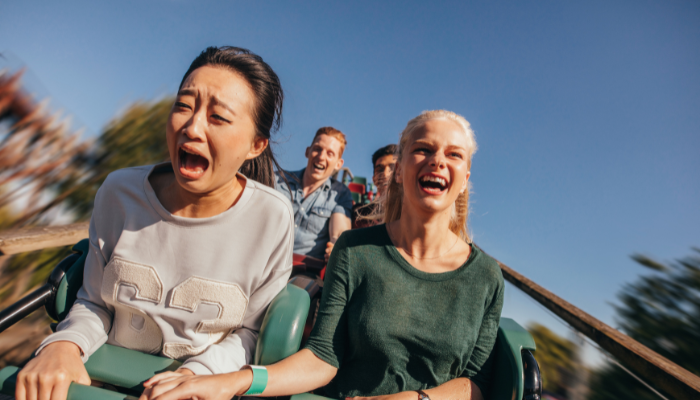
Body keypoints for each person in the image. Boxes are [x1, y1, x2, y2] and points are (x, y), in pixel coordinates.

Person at [141, 110, 505, 400]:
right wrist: (231, 382)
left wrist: (416, 399)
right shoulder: (357, 251)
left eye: (453, 155)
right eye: (423, 149)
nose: (437, 161)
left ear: (465, 176)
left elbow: (475, 383)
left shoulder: (486, 276)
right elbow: (324, 356)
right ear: (400, 170)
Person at [15, 46, 295, 400]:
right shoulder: (119, 193)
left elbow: (252, 333)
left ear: (256, 145)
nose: (191, 127)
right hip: (100, 380)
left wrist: (199, 375)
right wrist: (65, 346)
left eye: (218, 117)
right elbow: (94, 301)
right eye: (183, 106)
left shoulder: (272, 218)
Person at [275, 127, 353, 262]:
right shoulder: (277, 180)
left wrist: (336, 246)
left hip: (303, 272)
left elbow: (339, 233)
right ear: (307, 151)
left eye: (330, 153)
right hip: (263, 261)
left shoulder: (340, 194)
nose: (321, 157)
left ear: (338, 164)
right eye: (317, 149)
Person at [353, 144, 398, 228]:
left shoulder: (415, 215)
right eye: (380, 169)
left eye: (392, 168)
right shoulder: (358, 214)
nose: (385, 174)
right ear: (374, 179)